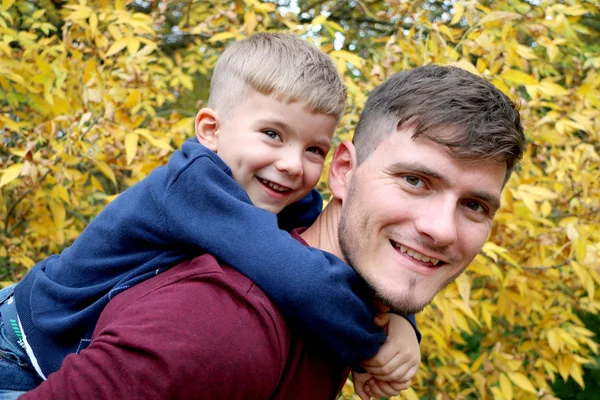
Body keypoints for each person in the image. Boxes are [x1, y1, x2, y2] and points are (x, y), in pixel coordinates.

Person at [15, 64, 526, 399]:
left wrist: (395, 322)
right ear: (344, 171)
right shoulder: (221, 327)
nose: (439, 229)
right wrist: (369, 337)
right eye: (415, 180)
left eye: (475, 205)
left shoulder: (293, 219)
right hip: (22, 339)